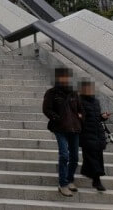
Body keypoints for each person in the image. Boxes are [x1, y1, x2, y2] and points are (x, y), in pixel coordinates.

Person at [42, 67, 84, 197]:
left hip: (74, 129)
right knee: (64, 155)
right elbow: (46, 109)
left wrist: (80, 117)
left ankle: (70, 179)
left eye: (67, 77)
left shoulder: (74, 94)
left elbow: (81, 109)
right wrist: (57, 119)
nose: (65, 79)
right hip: (60, 129)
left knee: (75, 157)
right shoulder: (52, 93)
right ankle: (63, 184)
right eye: (62, 77)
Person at [79, 80, 110, 191]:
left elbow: (97, 118)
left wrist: (103, 117)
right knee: (92, 157)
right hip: (86, 134)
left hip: (97, 134)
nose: (89, 90)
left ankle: (88, 172)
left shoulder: (96, 101)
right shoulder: (79, 101)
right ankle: (97, 181)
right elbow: (79, 118)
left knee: (97, 157)